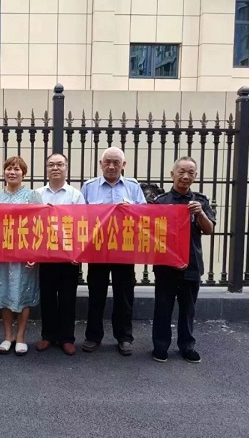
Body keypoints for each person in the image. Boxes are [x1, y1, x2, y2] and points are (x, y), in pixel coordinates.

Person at [81, 146, 147, 356]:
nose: (111, 166)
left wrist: (131, 208)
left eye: (116, 162)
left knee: (124, 295)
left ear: (123, 165)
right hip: (98, 249)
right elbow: (79, 217)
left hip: (124, 249)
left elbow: (145, 215)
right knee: (96, 294)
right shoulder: (89, 187)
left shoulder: (133, 186)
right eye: (107, 162)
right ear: (100, 164)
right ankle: (93, 336)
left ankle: (124, 337)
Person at [151, 156, 215, 363]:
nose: (186, 176)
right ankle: (160, 346)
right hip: (166, 265)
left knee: (188, 309)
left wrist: (201, 214)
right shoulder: (160, 202)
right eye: (181, 172)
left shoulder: (200, 201)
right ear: (172, 174)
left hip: (192, 264)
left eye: (190, 173)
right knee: (163, 307)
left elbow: (209, 230)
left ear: (195, 176)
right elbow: (148, 231)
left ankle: (187, 346)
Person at [0, 156, 42, 356]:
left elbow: (39, 226)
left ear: (23, 173)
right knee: (4, 293)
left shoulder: (32, 196)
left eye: (17, 169)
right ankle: (8, 336)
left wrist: (35, 252)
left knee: (22, 294)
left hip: (24, 254)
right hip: (1, 255)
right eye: (9, 168)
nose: (12, 172)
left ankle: (21, 336)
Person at [35, 153, 85, 356]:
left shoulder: (75, 195)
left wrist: (78, 253)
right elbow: (31, 225)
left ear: (66, 168)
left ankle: (67, 338)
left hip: (68, 255)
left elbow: (82, 224)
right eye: (51, 165)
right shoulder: (37, 194)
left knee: (67, 297)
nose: (55, 168)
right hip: (45, 254)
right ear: (47, 169)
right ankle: (47, 335)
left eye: (60, 164)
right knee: (47, 296)